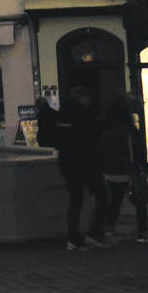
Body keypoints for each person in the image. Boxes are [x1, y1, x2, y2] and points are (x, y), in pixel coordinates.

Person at [50, 87, 111, 250]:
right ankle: (95, 233)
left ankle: (73, 237)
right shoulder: (84, 115)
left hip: (68, 164)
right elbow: (93, 136)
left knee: (76, 200)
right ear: (84, 98)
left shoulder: (62, 115)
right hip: (86, 164)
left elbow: (57, 140)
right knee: (101, 196)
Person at [99, 92, 148, 244]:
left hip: (110, 171)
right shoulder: (129, 131)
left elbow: (100, 152)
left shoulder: (106, 131)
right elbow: (139, 149)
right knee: (140, 201)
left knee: (115, 201)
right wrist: (145, 167)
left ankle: (109, 229)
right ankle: (142, 232)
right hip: (129, 170)